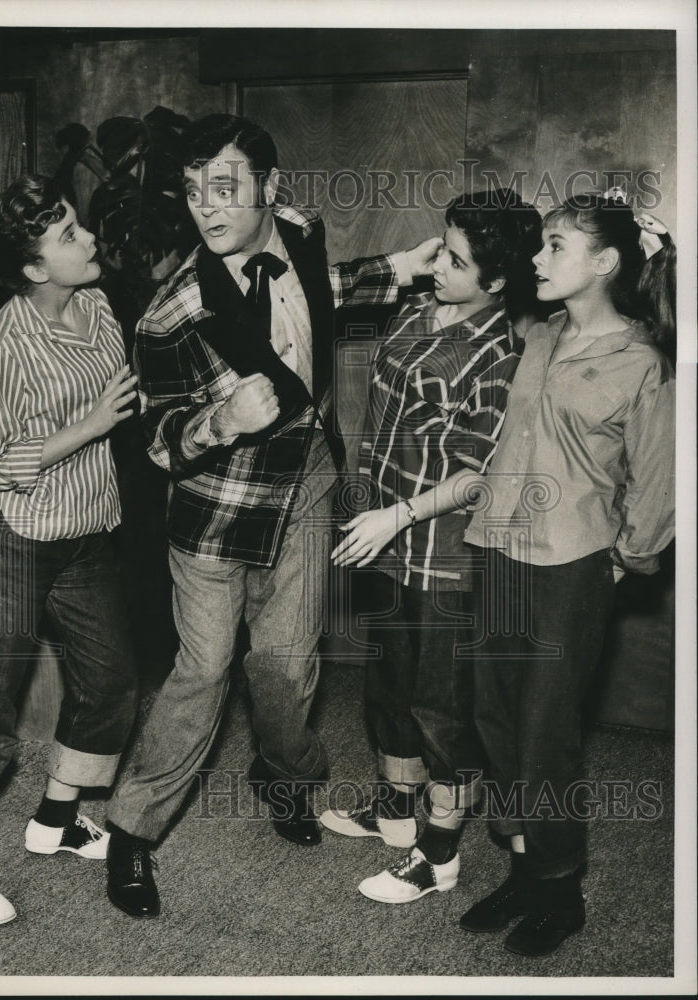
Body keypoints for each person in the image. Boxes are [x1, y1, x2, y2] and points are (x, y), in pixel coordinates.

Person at [103, 113, 440, 919]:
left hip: (309, 483)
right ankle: (131, 834)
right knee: (205, 670)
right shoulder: (170, 314)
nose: (207, 210)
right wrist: (218, 422)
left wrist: (399, 266)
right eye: (192, 194)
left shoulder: (300, 228)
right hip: (218, 510)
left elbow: (323, 291)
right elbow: (153, 440)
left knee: (286, 667)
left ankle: (287, 783)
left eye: (224, 190)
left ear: (269, 190)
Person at [459, 191, 676, 956]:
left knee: (547, 731)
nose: (538, 258)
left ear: (606, 264)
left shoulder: (642, 360)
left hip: (570, 565)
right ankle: (521, 866)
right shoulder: (540, 334)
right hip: (498, 548)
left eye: (555, 246)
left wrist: (625, 558)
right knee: (495, 718)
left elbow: (656, 481)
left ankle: (560, 889)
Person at [319, 189, 543, 904]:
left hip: (442, 554)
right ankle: (394, 815)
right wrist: (374, 515)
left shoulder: (499, 353)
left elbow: (477, 474)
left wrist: (396, 516)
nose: (437, 264)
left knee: (441, 707)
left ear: (498, 280)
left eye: (455, 259)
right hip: (384, 540)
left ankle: (439, 855)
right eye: (441, 247)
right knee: (388, 690)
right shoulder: (418, 308)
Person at [0, 175, 139, 926]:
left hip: (87, 532)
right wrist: (88, 425)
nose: (88, 240)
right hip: (12, 540)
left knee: (114, 684)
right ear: (31, 269)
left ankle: (56, 816)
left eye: (79, 228)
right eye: (68, 236)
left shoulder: (99, 304)